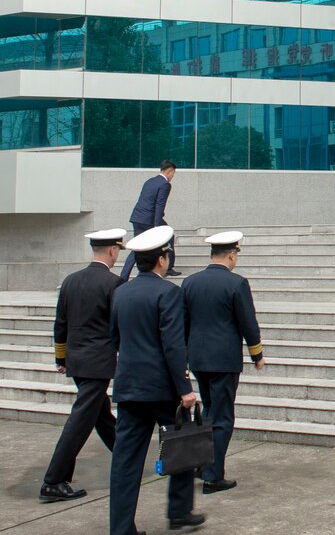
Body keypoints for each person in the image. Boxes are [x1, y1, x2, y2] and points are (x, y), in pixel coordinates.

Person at [108, 225, 204, 534]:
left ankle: (121, 528)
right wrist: (185, 389)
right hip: (162, 390)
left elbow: (115, 338)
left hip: (129, 387)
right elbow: (173, 345)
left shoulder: (120, 292)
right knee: (183, 446)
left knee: (125, 462)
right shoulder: (168, 292)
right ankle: (179, 512)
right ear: (162, 259)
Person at [39, 228, 126, 503]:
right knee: (80, 422)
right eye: (117, 251)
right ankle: (54, 480)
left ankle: (125, 457)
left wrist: (61, 357)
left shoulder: (71, 281)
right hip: (98, 364)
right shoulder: (115, 284)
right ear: (112, 250)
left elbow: (60, 323)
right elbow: (119, 327)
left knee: (100, 414)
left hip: (77, 361)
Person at [181, 231, 265, 495]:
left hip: (198, 358)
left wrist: (183, 357)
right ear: (231, 254)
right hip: (224, 361)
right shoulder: (236, 284)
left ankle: (202, 464)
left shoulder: (190, 283)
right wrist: (257, 354)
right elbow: (247, 322)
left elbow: (182, 324)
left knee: (209, 413)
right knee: (223, 417)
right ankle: (213, 475)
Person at [120, 161, 179, 281]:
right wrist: (158, 226)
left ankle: (123, 277)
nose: (173, 176)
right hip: (150, 219)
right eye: (173, 173)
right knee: (169, 236)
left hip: (137, 218)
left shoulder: (149, 181)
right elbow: (159, 205)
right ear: (169, 171)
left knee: (136, 248)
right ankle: (168, 268)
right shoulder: (165, 184)